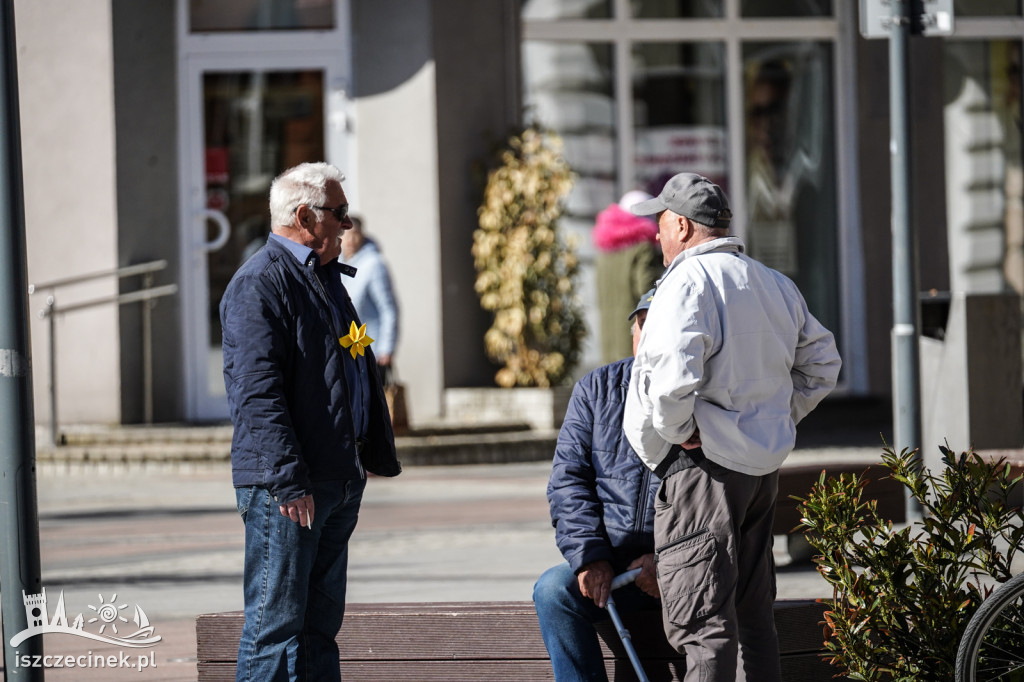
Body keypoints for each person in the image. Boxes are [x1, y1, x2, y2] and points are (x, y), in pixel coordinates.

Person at [622, 172, 841, 682]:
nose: (656, 234)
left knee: (704, 626)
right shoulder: (772, 280)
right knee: (753, 620)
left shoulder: (686, 282)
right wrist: (775, 418)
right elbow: (823, 365)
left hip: (703, 472)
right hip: (758, 469)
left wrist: (680, 432)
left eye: (660, 222)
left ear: (680, 224)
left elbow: (674, 380)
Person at [220, 162, 402, 682]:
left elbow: (352, 362)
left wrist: (363, 457)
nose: (347, 224)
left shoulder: (325, 278)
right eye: (338, 213)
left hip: (336, 481)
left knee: (319, 630)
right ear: (303, 216)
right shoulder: (259, 283)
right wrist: (288, 480)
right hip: (289, 488)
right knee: (273, 630)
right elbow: (256, 395)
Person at [533, 289, 663, 682]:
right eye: (643, 325)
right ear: (633, 332)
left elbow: (715, 496)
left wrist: (669, 560)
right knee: (553, 590)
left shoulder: (707, 392)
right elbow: (567, 481)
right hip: (611, 562)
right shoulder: (596, 388)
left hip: (682, 567)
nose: (651, 334)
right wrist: (590, 556)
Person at [593, 191, 663, 364]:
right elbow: (648, 290)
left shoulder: (605, 254)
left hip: (609, 342)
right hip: (634, 339)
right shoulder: (643, 248)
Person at [341, 214, 399, 368]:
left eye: (355, 234)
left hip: (371, 349)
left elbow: (388, 308)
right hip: (346, 349)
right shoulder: (337, 263)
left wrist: (385, 349)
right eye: (346, 234)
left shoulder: (374, 264)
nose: (350, 240)